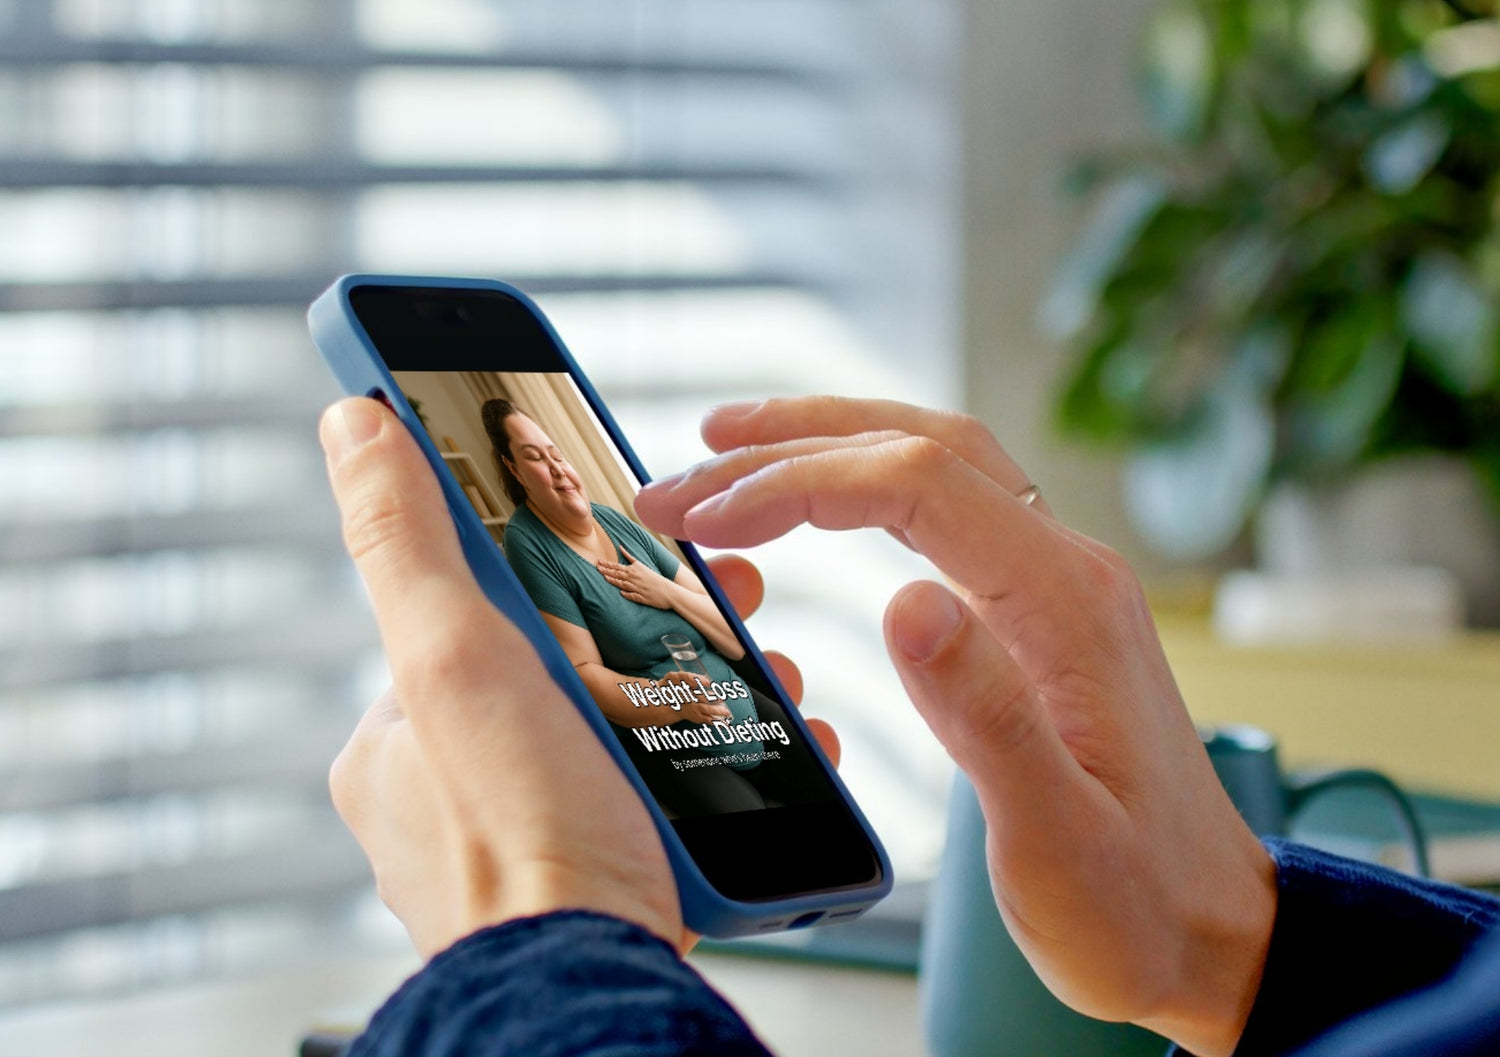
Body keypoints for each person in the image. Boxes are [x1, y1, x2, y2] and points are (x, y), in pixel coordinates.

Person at [318, 394, 1500, 1057]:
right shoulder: (541, 552)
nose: (552, 466)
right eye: (525, 455)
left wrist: (537, 943)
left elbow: (723, 648)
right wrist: (1240, 937)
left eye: (546, 442)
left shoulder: (628, 544)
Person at [480, 398, 820, 814]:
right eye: (533, 457)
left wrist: (667, 591)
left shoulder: (615, 521)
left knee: (820, 788)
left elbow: (727, 629)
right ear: (513, 470)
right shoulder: (528, 544)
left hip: (732, 692)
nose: (556, 468)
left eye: (557, 454)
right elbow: (585, 674)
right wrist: (667, 702)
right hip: (662, 728)